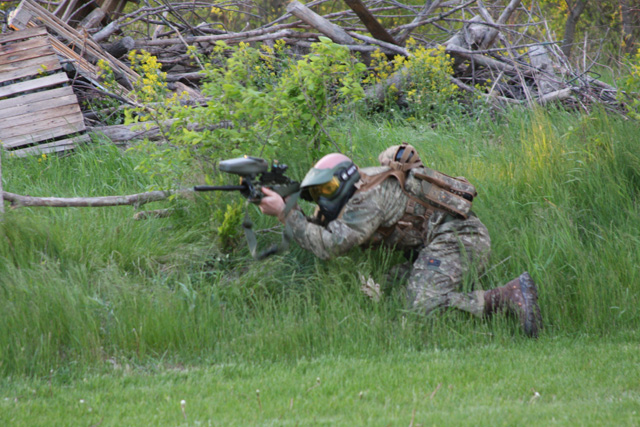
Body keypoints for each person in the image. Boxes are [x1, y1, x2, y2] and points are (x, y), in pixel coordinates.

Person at [259, 145, 542, 337]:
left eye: (329, 188)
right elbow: (322, 229)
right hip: (437, 245)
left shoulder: (367, 198)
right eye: (319, 192)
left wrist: (286, 214)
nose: (324, 196)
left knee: (421, 306)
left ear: (345, 178)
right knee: (391, 285)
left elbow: (331, 245)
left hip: (459, 240)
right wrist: (290, 207)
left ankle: (508, 296)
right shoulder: (360, 186)